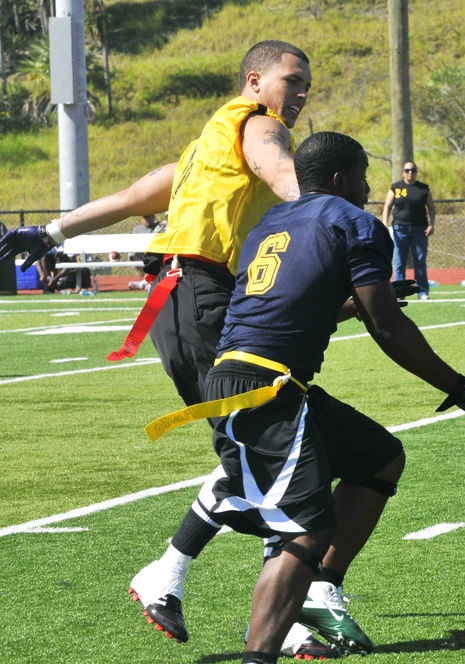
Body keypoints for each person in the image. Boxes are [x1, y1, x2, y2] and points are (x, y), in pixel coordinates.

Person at [0, 40, 367, 659]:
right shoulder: (256, 126)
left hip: (188, 302)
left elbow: (146, 192)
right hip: (202, 300)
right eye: (292, 80)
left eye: (308, 84)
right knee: (274, 447)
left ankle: (177, 575)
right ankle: (291, 612)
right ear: (256, 81)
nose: (302, 92)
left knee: (266, 444)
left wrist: (55, 230)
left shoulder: (210, 145)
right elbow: (281, 167)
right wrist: (326, 213)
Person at [153, 131, 465, 664]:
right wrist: (458, 387)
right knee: (308, 526)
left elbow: (293, 304)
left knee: (379, 456)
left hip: (236, 376)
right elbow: (386, 326)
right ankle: (260, 655)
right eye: (365, 176)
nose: (371, 187)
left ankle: (321, 585)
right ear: (342, 178)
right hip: (270, 387)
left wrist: (358, 305)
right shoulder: (354, 222)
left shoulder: (268, 224)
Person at [381, 161, 435, 299]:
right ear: (403, 172)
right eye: (407, 170)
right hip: (400, 228)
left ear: (416, 172)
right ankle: (399, 292)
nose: (410, 172)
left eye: (413, 170)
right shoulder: (396, 187)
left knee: (420, 261)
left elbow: (431, 207)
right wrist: (385, 224)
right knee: (399, 261)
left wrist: (431, 224)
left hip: (420, 229)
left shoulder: (423, 188)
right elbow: (387, 206)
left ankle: (422, 291)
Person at [128, 213, 164, 291]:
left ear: (154, 217)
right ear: (141, 219)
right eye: (145, 217)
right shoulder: (137, 229)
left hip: (155, 251)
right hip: (142, 252)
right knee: (132, 254)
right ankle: (147, 279)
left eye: (150, 217)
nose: (148, 219)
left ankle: (150, 280)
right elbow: (132, 243)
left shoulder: (159, 226)